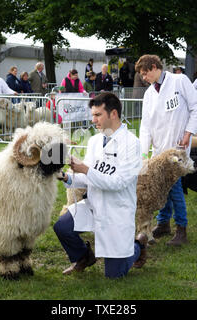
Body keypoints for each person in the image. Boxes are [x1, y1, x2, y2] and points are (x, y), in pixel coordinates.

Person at [53, 92, 146, 278]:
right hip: (94, 204)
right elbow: (89, 178)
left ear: (113, 114)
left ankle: (139, 246)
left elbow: (119, 182)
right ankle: (83, 257)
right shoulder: (95, 141)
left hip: (116, 211)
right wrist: (66, 177)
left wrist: (85, 170)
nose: (93, 119)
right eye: (92, 114)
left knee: (114, 275)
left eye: (97, 115)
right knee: (62, 226)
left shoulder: (132, 144)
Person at [136, 54, 197, 246]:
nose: (144, 78)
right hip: (158, 151)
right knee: (162, 187)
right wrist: (144, 153)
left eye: (144, 73)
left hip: (177, 149)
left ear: (154, 67)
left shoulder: (179, 81)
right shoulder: (149, 94)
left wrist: (189, 132)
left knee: (174, 189)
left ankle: (181, 228)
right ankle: (164, 223)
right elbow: (145, 125)